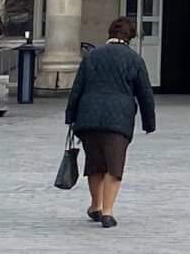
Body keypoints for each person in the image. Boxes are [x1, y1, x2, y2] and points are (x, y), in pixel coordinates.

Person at [64, 15, 157, 230]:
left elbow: (77, 87)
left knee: (95, 164)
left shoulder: (92, 56)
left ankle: (95, 205)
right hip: (118, 119)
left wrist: (71, 115)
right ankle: (107, 212)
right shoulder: (134, 59)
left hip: (89, 117)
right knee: (114, 167)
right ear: (130, 36)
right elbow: (145, 94)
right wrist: (148, 122)